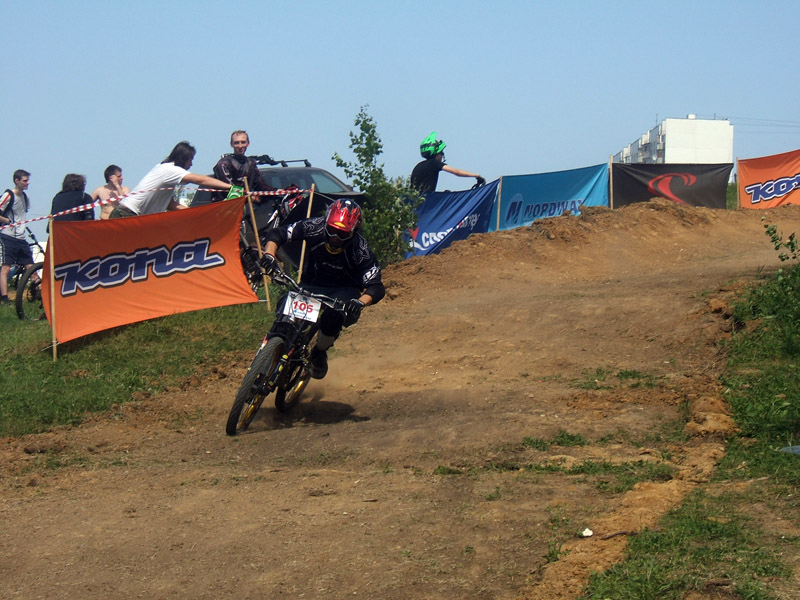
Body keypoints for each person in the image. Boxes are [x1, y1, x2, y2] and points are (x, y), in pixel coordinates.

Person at [260, 198, 385, 379]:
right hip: (311, 283)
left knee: (332, 319)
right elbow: (279, 233)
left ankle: (319, 352)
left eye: (343, 234)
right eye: (332, 230)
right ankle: (273, 346)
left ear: (354, 232)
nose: (335, 237)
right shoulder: (314, 226)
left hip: (343, 291)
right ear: (325, 222)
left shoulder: (361, 249)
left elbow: (376, 285)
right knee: (284, 312)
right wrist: (269, 254)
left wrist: (360, 302)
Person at [110, 141, 231, 218]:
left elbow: (171, 205)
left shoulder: (165, 171)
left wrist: (199, 214)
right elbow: (201, 180)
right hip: (126, 215)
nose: (191, 164)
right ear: (184, 158)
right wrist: (230, 187)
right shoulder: (170, 170)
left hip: (133, 216)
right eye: (191, 160)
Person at [0, 170, 35, 304]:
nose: (28, 183)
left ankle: (38, 291)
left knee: (30, 266)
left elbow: (22, 214)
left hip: (21, 238)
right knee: (6, 267)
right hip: (7, 236)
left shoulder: (25, 197)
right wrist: (6, 221)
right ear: (17, 181)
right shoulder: (8, 195)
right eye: (25, 181)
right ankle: (4, 298)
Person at [410, 131, 485, 193]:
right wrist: (477, 176)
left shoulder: (418, 166)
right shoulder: (434, 163)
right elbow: (456, 172)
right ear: (436, 153)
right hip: (426, 202)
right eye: (441, 153)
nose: (442, 155)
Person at [211, 130, 272, 203]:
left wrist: (279, 191)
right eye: (236, 143)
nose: (240, 146)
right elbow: (228, 187)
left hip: (243, 205)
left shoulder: (251, 163)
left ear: (248, 143)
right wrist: (249, 197)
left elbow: (261, 186)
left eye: (243, 142)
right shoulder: (224, 164)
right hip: (224, 205)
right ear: (231, 144)